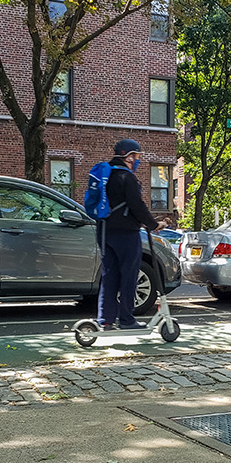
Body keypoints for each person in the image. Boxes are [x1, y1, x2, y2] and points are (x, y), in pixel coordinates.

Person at [98, 138, 164, 330]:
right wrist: (153, 224)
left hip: (104, 232)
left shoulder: (106, 174)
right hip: (126, 234)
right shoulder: (127, 177)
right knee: (129, 275)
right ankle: (127, 319)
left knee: (109, 275)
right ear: (127, 156)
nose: (137, 160)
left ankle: (105, 320)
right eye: (136, 156)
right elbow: (137, 206)